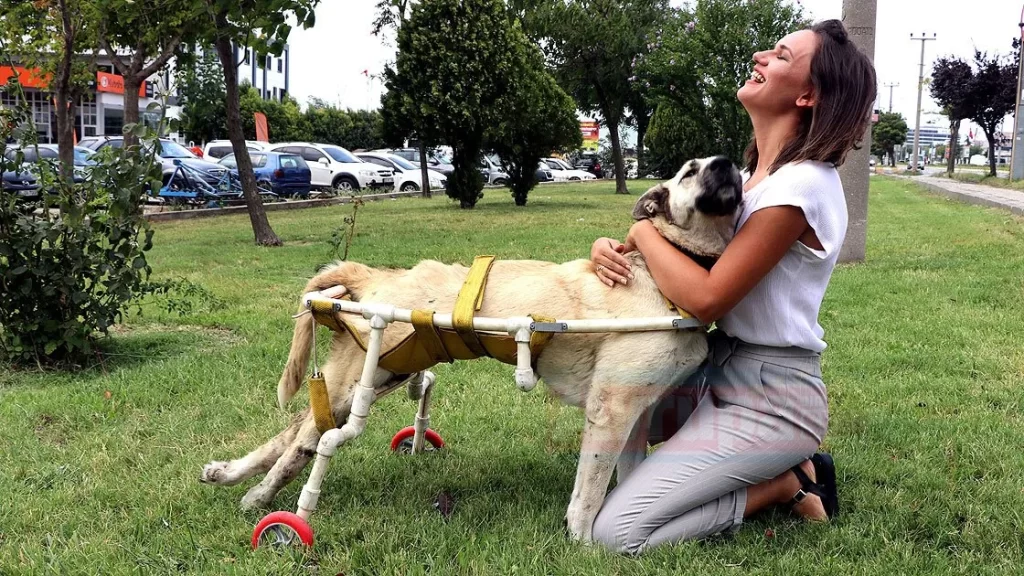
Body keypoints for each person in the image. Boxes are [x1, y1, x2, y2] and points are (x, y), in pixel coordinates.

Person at [587, 20, 876, 553]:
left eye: (782, 56)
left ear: (809, 95)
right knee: (621, 406)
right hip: (712, 367)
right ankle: (776, 465)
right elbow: (683, 251)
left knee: (616, 534)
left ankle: (783, 483)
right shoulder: (752, 181)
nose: (761, 55)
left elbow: (709, 296)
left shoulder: (802, 185)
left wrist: (638, 230)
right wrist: (615, 248)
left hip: (771, 396)